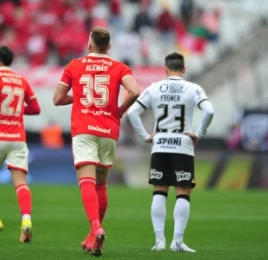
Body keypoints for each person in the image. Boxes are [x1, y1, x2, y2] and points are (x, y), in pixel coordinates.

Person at [53, 26, 140, 256]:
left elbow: (57, 98)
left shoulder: (75, 65)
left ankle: (95, 226)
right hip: (108, 130)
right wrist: (120, 110)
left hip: (84, 129)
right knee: (101, 184)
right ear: (109, 47)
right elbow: (135, 91)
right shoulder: (119, 67)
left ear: (89, 45)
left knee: (86, 181)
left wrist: (79, 97)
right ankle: (93, 237)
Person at [127, 52, 214, 253]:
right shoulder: (193, 88)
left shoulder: (154, 88)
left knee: (159, 191)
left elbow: (132, 113)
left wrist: (146, 136)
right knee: (183, 192)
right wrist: (199, 133)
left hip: (160, 144)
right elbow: (209, 111)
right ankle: (177, 242)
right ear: (184, 69)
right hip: (183, 144)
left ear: (165, 69)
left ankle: (159, 242)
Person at [0, 46, 41, 243]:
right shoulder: (22, 81)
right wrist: (16, 112)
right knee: (21, 183)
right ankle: (26, 221)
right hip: (17, 138)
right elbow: (36, 108)